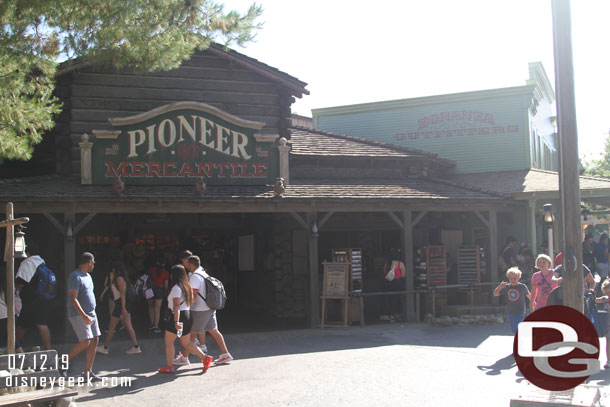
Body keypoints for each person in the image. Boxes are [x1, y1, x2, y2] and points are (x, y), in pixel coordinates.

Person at [174, 255, 233, 366]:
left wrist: (188, 307)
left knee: (192, 334)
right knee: (214, 331)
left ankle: (184, 358)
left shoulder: (195, 277)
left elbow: (194, 294)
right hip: (209, 308)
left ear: (191, 264)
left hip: (200, 310)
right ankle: (225, 354)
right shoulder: (204, 273)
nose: (186, 267)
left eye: (187, 264)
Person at [158, 264, 212, 374]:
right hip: (187, 315)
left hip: (178, 316)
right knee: (186, 343)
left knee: (169, 342)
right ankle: (205, 358)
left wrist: (176, 321)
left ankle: (169, 366)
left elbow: (176, 306)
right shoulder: (187, 287)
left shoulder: (176, 288)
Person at [66, 252, 102, 381]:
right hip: (78, 314)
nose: (93, 265)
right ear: (89, 263)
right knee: (86, 341)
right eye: (93, 263)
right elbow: (73, 298)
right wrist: (83, 315)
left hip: (91, 313)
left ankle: (88, 372)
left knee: (95, 340)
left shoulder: (87, 276)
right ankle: (63, 361)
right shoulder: (75, 276)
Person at [96, 261, 141, 355]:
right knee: (127, 325)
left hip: (121, 304)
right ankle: (136, 346)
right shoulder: (117, 278)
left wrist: (123, 308)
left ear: (114, 270)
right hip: (120, 304)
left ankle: (105, 347)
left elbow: (122, 294)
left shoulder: (119, 279)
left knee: (113, 326)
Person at [14, 242, 53, 350]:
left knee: (22, 324)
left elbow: (21, 282)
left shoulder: (28, 263)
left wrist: (15, 290)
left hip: (31, 300)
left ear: (27, 253)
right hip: (44, 299)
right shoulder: (42, 263)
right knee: (42, 324)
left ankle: (14, 347)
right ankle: (48, 349)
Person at [493, 267, 531, 333]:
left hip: (520, 311)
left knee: (518, 328)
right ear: (508, 278)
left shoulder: (522, 286)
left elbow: (529, 295)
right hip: (510, 311)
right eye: (511, 278)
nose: (513, 280)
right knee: (514, 328)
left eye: (515, 278)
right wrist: (500, 287)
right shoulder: (507, 287)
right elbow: (495, 294)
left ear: (519, 277)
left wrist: (534, 302)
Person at [0, 265, 24, 353]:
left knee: (12, 340)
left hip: (2, 315)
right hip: (11, 314)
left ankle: (23, 359)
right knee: (11, 338)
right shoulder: (9, 286)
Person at [379, 248, 406, 322]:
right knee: (397, 299)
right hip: (398, 284)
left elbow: (384, 273)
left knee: (389, 300)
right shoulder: (401, 264)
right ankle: (397, 314)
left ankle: (390, 316)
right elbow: (403, 275)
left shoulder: (387, 263)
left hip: (389, 284)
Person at [147, 254, 169, 334]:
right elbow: (166, 285)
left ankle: (152, 323)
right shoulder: (165, 273)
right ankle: (156, 326)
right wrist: (166, 293)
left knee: (150, 306)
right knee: (157, 309)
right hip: (160, 289)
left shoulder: (151, 270)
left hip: (150, 289)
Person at [595, 279, 610, 369]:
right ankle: (608, 360)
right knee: (608, 341)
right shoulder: (605, 299)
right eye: (607, 293)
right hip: (608, 323)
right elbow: (597, 300)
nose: (608, 295)